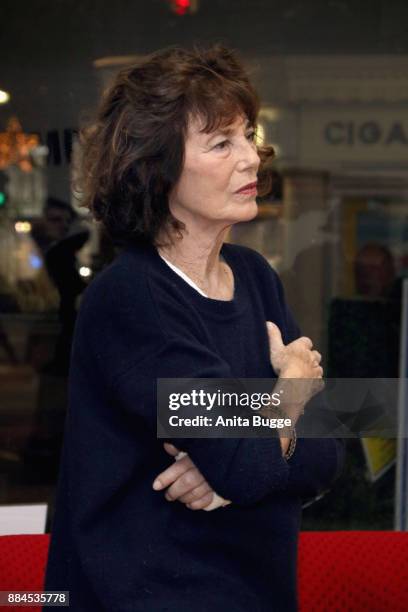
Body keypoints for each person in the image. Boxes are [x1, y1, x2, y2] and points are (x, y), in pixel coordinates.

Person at [44, 44, 345, 611]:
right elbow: (250, 465)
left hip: (257, 592)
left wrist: (235, 466)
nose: (252, 158)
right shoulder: (132, 297)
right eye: (221, 143)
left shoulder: (256, 278)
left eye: (249, 134)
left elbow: (330, 454)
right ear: (158, 168)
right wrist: (293, 393)